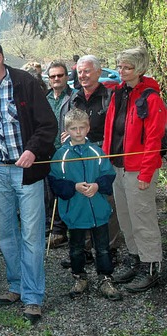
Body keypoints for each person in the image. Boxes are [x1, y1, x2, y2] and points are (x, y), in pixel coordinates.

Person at [0, 40, 57, 324]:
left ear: (0, 59)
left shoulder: (26, 83)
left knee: (31, 235)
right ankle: (16, 286)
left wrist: (33, 150)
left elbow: (48, 125)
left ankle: (33, 298)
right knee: (5, 233)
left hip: (26, 171)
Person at [103, 47, 167, 293]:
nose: (122, 71)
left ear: (139, 69)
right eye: (120, 67)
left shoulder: (151, 99)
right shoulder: (120, 94)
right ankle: (135, 258)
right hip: (119, 166)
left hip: (138, 169)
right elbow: (112, 129)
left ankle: (151, 266)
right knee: (126, 217)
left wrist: (146, 173)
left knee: (143, 219)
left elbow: (154, 140)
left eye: (127, 67)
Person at [48, 109, 122, 301]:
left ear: (88, 128)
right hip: (75, 212)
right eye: (73, 128)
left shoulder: (97, 152)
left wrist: (98, 185)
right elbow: (55, 183)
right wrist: (74, 187)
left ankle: (106, 278)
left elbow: (108, 175)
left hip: (98, 211)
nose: (78, 132)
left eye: (82, 128)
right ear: (66, 130)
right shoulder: (60, 155)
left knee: (103, 248)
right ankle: (79, 277)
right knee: (76, 248)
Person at [71, 55, 123, 264]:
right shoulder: (75, 98)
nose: (82, 75)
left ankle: (109, 248)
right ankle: (85, 248)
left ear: (98, 72)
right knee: (82, 199)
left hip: (103, 156)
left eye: (87, 71)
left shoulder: (109, 96)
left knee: (106, 202)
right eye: (80, 72)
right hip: (79, 157)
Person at [45, 61, 75, 248]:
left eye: (60, 75)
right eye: (53, 76)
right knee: (50, 193)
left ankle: (73, 230)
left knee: (69, 191)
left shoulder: (74, 97)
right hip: (49, 152)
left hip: (68, 152)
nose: (56, 79)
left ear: (66, 76)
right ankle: (56, 230)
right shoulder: (44, 98)